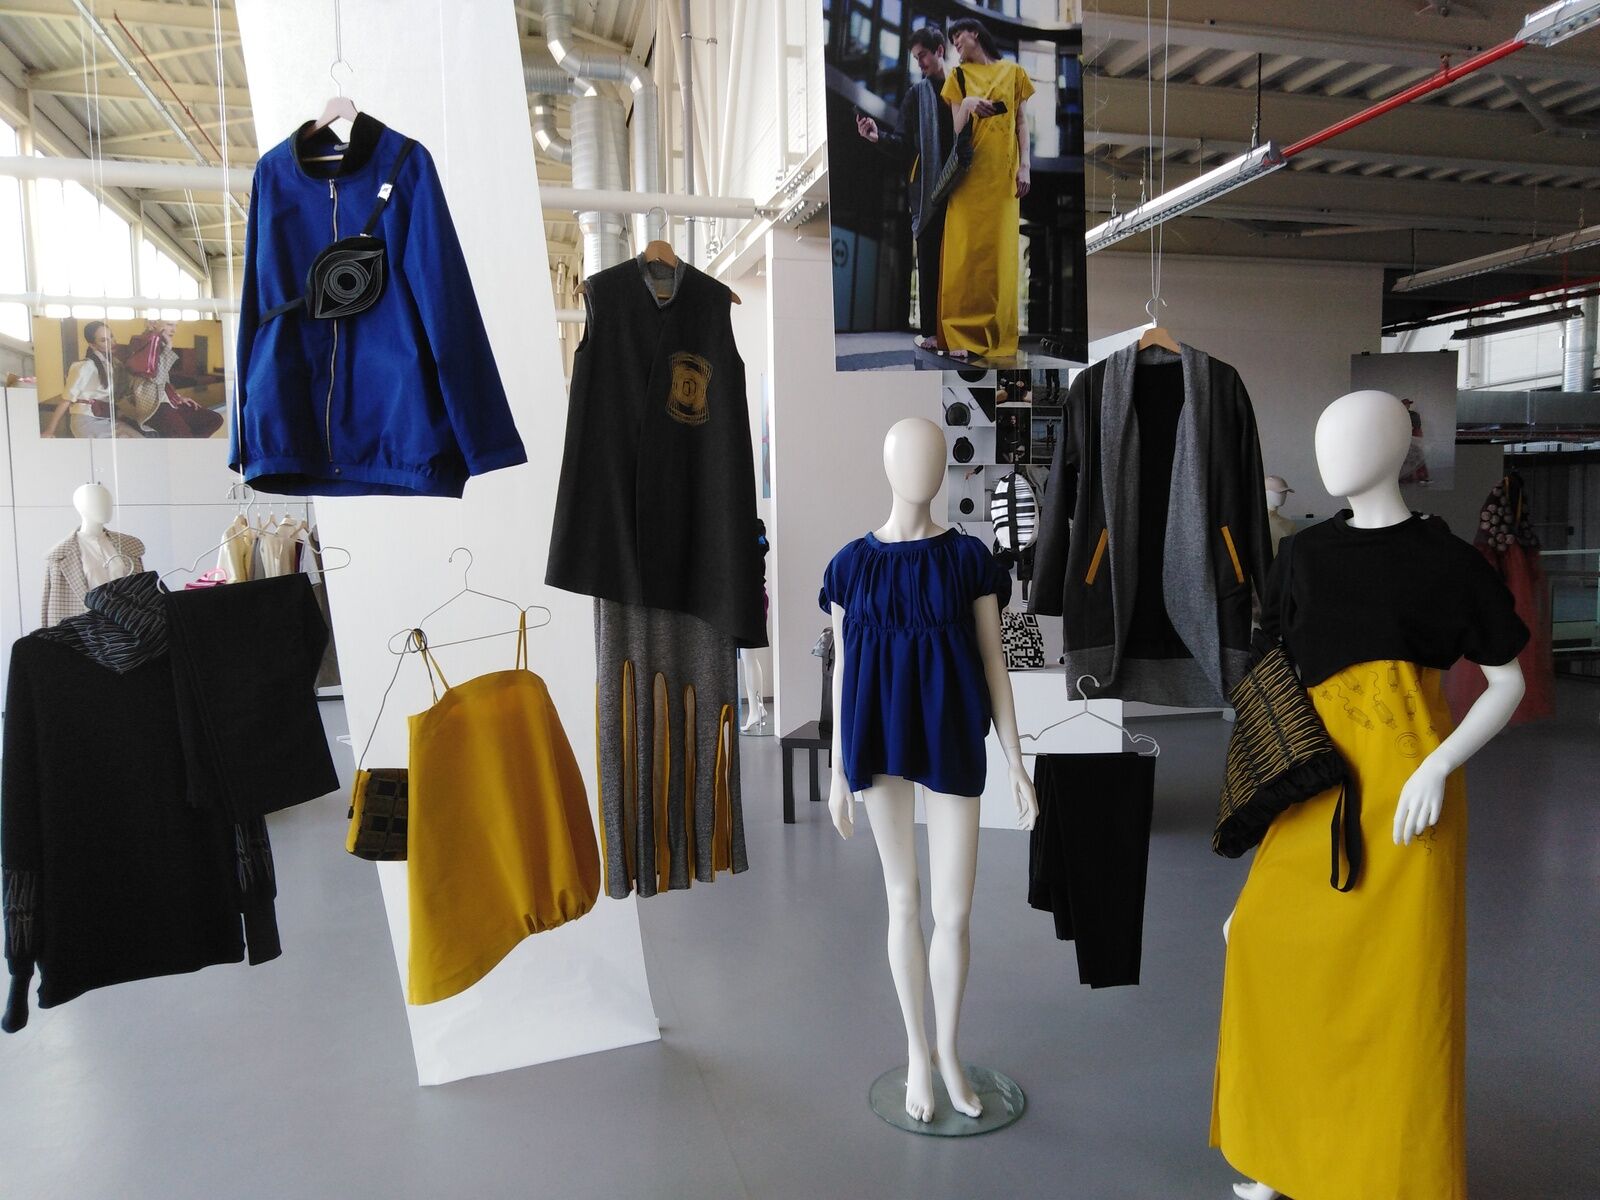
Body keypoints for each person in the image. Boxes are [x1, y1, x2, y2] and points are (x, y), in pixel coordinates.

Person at [938, 17, 1033, 361]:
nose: (955, 42)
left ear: (975, 33)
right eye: (951, 39)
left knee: (998, 257)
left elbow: (1021, 122)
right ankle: (959, 334)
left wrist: (1025, 165)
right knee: (965, 255)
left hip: (1002, 178)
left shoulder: (1014, 72)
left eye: (958, 35)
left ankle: (996, 335)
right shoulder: (957, 77)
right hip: (969, 179)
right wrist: (967, 104)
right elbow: (956, 130)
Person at [854, 27, 954, 351]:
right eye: (915, 58)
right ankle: (931, 333)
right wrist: (877, 137)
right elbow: (902, 144)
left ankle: (960, 332)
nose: (919, 63)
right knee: (928, 261)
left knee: (959, 264)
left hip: (962, 190)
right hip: (927, 193)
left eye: (922, 55)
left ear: (939, 51)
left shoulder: (961, 87)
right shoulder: (915, 96)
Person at [124, 320, 225, 439]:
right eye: (169, 324)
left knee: (214, 419)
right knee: (184, 435)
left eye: (176, 325)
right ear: (153, 323)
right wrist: (168, 348)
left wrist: (176, 396)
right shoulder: (142, 342)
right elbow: (155, 378)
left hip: (165, 401)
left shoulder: (159, 344)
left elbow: (163, 382)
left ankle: (187, 445)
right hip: (154, 406)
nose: (174, 330)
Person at [44, 322, 145, 440]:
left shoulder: (114, 364)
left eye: (111, 336)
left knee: (139, 440)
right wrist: (50, 430)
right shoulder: (84, 366)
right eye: (103, 340)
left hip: (107, 419)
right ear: (92, 345)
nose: (112, 342)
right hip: (86, 421)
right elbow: (66, 399)